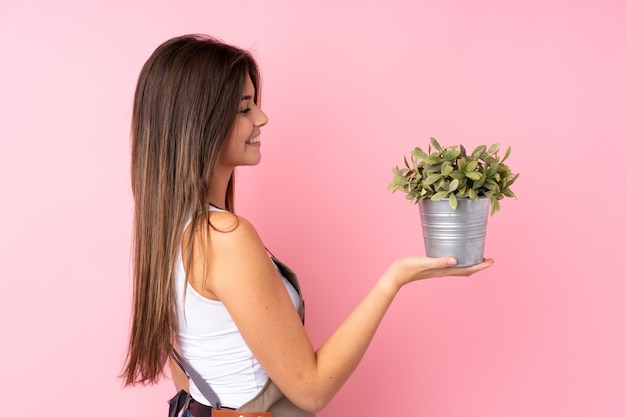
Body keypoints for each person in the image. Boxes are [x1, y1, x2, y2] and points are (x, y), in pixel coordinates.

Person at [121, 34, 494, 417]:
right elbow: (311, 391)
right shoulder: (226, 238)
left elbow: (186, 380)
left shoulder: (165, 230)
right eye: (245, 109)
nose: (261, 119)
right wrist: (393, 280)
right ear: (201, 124)